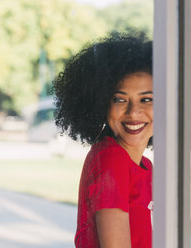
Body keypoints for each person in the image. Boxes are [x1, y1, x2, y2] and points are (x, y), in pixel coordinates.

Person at [53, 32, 153, 248]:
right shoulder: (111, 159)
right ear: (102, 103)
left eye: (146, 99)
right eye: (120, 99)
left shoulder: (146, 167)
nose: (134, 112)